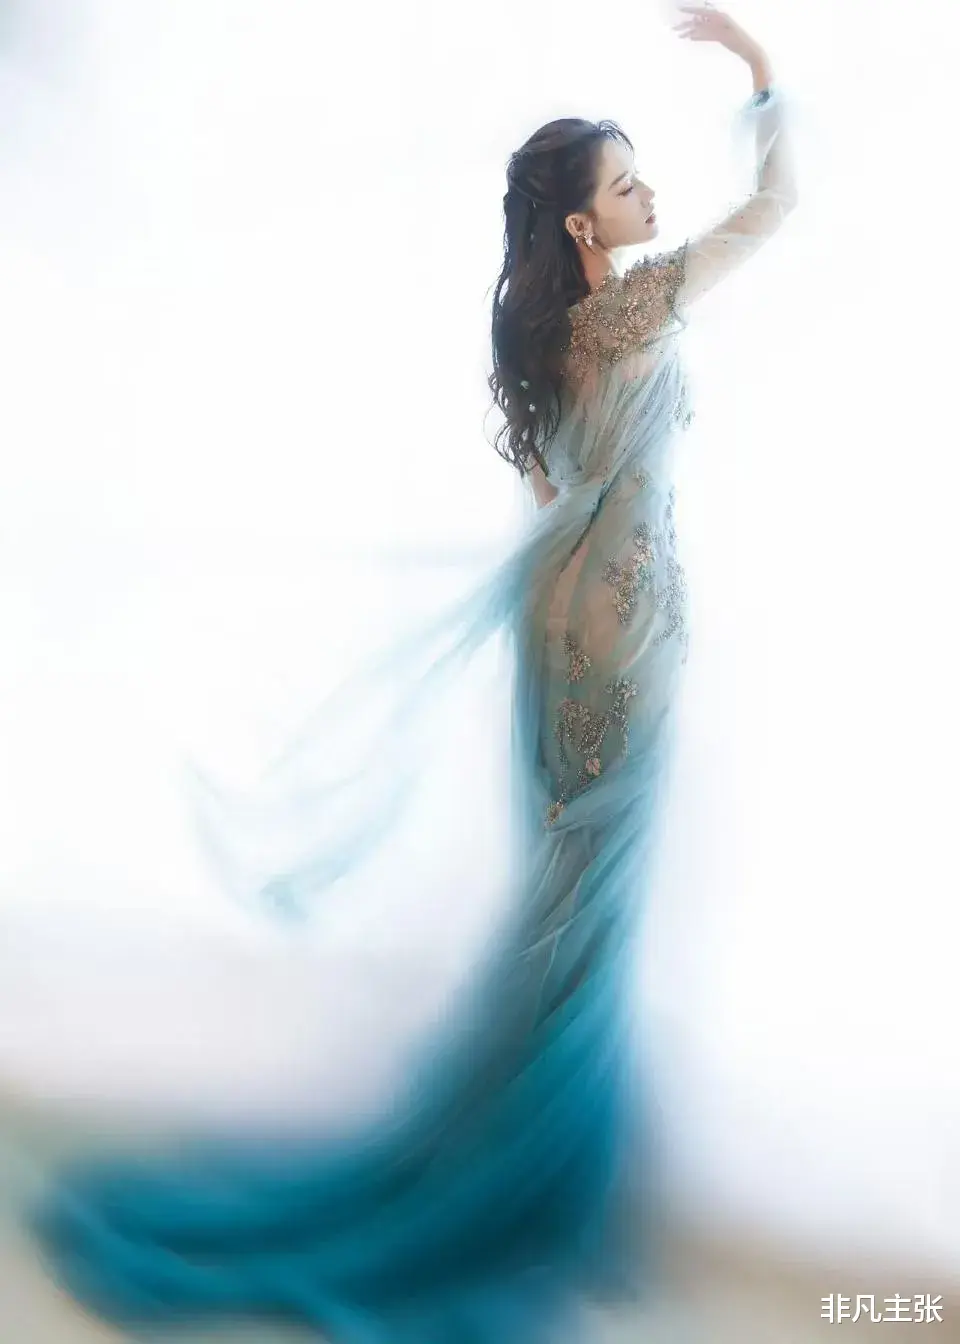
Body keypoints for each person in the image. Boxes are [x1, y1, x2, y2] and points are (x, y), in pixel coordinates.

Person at [27, 5, 797, 1340]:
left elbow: (556, 494)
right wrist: (759, 69)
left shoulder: (542, 335)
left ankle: (531, 1182)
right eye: (626, 186)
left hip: (558, 638)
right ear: (581, 223)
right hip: (621, 642)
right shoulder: (634, 306)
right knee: (584, 933)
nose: (647, 198)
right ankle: (527, 1200)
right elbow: (775, 209)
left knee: (567, 923)